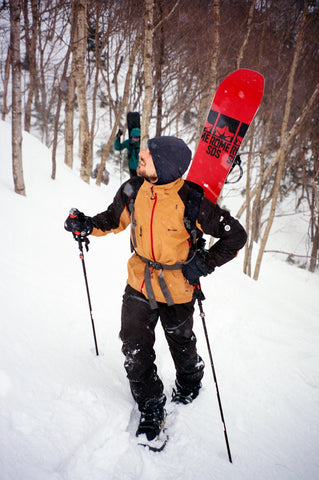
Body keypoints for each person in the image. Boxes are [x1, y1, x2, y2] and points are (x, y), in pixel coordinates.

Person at [64, 136, 247, 442]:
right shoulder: (133, 190)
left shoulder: (192, 200)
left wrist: (204, 262)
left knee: (181, 342)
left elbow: (236, 236)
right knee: (134, 345)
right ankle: (151, 405)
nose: (142, 156)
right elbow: (112, 220)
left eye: (148, 155)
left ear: (164, 165)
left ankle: (190, 379)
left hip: (178, 286)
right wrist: (86, 224)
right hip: (139, 280)